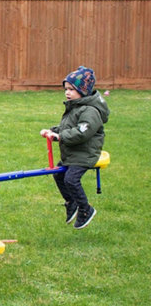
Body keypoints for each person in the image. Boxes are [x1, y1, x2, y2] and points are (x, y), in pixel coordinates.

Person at [40, 66, 110, 229]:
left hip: (85, 154)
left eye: (72, 89)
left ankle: (86, 209)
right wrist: (53, 131)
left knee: (71, 179)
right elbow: (68, 127)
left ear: (84, 91)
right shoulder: (76, 107)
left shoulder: (91, 111)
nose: (67, 93)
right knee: (58, 175)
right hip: (73, 154)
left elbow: (82, 132)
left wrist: (60, 136)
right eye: (66, 89)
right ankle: (72, 203)